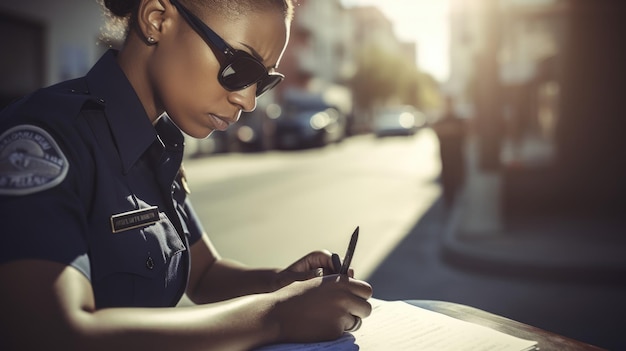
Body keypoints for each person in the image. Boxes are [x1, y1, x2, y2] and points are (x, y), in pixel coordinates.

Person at [0, 0, 373, 350]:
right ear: (157, 19)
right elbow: (52, 333)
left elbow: (205, 274)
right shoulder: (42, 138)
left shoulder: (159, 143)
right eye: (240, 68)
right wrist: (276, 315)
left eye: (263, 81)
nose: (248, 100)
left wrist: (282, 284)